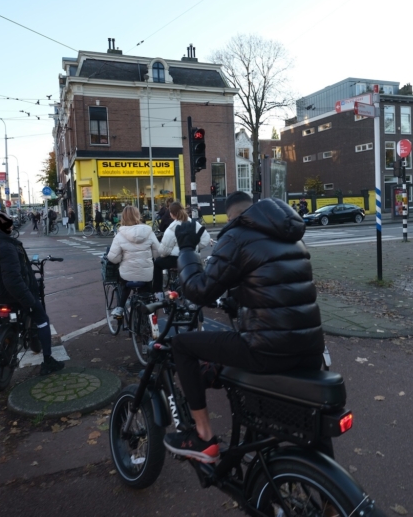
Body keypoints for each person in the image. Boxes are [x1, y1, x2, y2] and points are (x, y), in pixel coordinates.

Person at [163, 192, 324, 463]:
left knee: (182, 345)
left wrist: (188, 249)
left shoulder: (237, 235)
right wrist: (238, 298)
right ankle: (330, 503)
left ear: (232, 216)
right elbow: (274, 284)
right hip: (310, 347)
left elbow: (199, 291)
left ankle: (202, 436)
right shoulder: (292, 236)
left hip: (267, 349)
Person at [0, 212, 64, 375]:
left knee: (6, 316)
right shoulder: (6, 246)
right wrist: (29, 300)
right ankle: (48, 360)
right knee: (42, 319)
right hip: (10, 293)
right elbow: (12, 281)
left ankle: (6, 334)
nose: (11, 226)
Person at [106, 205, 160, 318]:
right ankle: (150, 316)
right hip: (146, 274)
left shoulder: (120, 235)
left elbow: (113, 258)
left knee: (124, 284)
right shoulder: (149, 232)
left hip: (128, 275)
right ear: (138, 216)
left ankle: (120, 308)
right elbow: (157, 253)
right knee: (147, 291)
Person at [153, 202, 210, 293]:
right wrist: (194, 246)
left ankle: (158, 292)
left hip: (176, 259)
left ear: (171, 214)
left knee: (157, 264)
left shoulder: (172, 228)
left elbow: (164, 251)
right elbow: (206, 239)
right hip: (192, 257)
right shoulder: (194, 224)